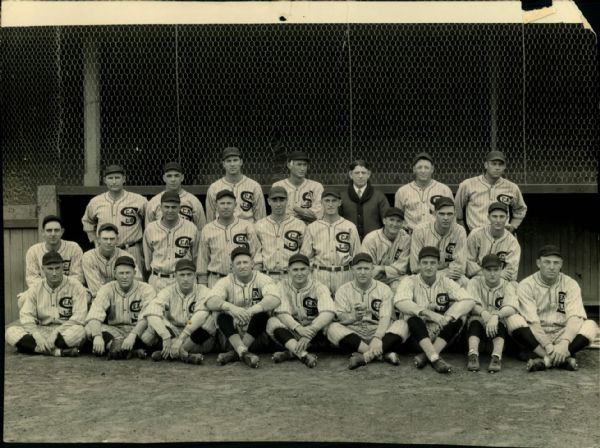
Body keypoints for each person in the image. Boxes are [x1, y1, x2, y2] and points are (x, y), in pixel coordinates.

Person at [504, 245, 598, 372]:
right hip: (536, 336)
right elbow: (533, 322)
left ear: (561, 264)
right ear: (538, 263)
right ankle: (560, 359)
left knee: (591, 325)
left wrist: (564, 343)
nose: (552, 267)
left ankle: (546, 361)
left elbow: (575, 318)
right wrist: (548, 346)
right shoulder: (526, 285)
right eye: (547, 262)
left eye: (556, 263)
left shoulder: (570, 284)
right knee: (513, 319)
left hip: (562, 333)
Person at [394, 246, 476, 373]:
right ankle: (434, 358)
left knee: (460, 315)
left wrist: (449, 317)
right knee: (410, 316)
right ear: (419, 264)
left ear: (438, 265)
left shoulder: (446, 281)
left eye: (432, 263)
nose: (428, 267)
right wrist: (428, 313)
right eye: (425, 263)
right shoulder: (409, 280)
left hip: (441, 336)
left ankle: (429, 355)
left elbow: (469, 300)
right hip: (417, 337)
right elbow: (400, 302)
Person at [326, 253, 409, 369]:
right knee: (332, 328)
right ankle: (383, 355)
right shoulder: (343, 290)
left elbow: (385, 317)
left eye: (366, 268)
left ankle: (365, 357)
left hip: (380, 331)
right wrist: (353, 317)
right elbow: (340, 318)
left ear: (372, 269)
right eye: (359, 268)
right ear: (352, 270)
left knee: (403, 324)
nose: (363, 272)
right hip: (355, 332)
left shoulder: (384, 289)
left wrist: (378, 337)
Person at [205, 247, 281, 368]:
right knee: (221, 315)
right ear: (232, 267)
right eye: (238, 263)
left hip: (257, 336)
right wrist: (231, 308)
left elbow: (275, 299)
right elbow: (210, 301)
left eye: (245, 262)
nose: (242, 266)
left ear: (252, 264)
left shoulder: (263, 278)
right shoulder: (225, 281)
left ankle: (237, 352)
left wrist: (251, 311)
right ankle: (243, 352)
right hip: (232, 336)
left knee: (262, 315)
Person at [6, 251, 87, 357]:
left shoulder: (76, 286)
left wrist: (57, 332)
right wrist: (36, 335)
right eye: (50, 269)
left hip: (65, 330)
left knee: (79, 331)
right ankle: (57, 352)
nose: (54, 273)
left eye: (57, 268)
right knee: (10, 332)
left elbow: (79, 317)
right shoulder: (36, 288)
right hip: (41, 329)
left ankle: (34, 349)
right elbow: (26, 315)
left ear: (63, 267)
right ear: (43, 269)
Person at [140, 259, 217, 365]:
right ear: (175, 276)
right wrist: (165, 336)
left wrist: (181, 339)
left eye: (189, 275)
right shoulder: (167, 291)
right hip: (173, 332)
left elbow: (200, 315)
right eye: (182, 275)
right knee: (150, 330)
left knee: (210, 320)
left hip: (194, 336)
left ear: (195, 276)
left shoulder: (204, 291)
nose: (186, 279)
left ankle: (170, 352)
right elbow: (151, 311)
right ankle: (184, 355)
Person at [267, 254, 335, 368]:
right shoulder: (281, 286)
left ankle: (291, 353)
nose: (299, 273)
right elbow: (282, 313)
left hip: (313, 333)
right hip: (292, 331)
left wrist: (309, 332)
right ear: (288, 271)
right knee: (272, 322)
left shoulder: (319, 287)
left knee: (328, 324)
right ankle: (302, 354)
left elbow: (329, 312)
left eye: (303, 269)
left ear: (309, 270)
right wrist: (299, 328)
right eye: (295, 270)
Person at [84, 256, 157, 360]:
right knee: (89, 328)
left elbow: (146, 318)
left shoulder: (146, 289)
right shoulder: (107, 288)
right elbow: (95, 315)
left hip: (138, 330)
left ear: (134, 273)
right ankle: (133, 351)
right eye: (121, 273)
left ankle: (117, 349)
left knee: (153, 331)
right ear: (115, 274)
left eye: (128, 273)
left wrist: (133, 335)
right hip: (115, 331)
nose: (124, 276)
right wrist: (97, 336)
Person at [81, 164, 148, 271]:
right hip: (105, 251)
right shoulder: (96, 202)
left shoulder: (139, 200)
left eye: (117, 178)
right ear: (105, 180)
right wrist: (95, 241)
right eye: (110, 178)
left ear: (124, 179)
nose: (114, 181)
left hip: (131, 248)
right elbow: (87, 222)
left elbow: (150, 222)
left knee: (135, 283)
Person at [300, 188, 361, 294]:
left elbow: (357, 256)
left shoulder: (350, 226)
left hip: (344, 273)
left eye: (334, 201)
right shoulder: (312, 227)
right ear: (321, 203)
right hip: (320, 274)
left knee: (344, 308)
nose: (330, 204)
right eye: (327, 201)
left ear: (339, 203)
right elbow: (305, 258)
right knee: (321, 308)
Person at [465, 254, 519, 373]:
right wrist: (482, 311)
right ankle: (473, 355)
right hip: (478, 323)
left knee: (500, 324)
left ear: (501, 270)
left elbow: (512, 307)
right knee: (475, 322)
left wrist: (496, 316)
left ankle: (496, 357)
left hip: (497, 328)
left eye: (496, 270)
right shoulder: (474, 282)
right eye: (488, 270)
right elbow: (469, 302)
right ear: (482, 270)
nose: (492, 273)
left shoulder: (507, 284)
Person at [197, 189, 261, 288]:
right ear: (216, 205)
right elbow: (202, 260)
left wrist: (255, 280)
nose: (225, 206)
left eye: (229, 203)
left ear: (235, 205)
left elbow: (256, 254)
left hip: (243, 280)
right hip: (216, 279)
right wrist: (202, 286)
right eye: (222, 203)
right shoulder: (208, 229)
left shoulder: (247, 226)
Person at [455, 151, 527, 233]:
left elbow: (521, 209)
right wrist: (463, 232)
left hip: (501, 235)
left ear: (504, 167)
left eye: (500, 164)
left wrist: (513, 226)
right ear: (486, 165)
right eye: (494, 164)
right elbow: (456, 211)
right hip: (477, 233)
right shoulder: (468, 184)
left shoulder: (512, 187)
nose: (497, 167)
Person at [143, 191, 200, 291]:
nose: (170, 210)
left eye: (174, 207)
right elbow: (148, 260)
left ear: (179, 208)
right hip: (158, 279)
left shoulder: (191, 228)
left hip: (183, 279)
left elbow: (196, 256)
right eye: (166, 207)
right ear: (160, 208)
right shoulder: (150, 229)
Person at [410, 197, 468, 285]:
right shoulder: (420, 230)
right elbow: (415, 267)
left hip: (450, 277)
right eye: (442, 214)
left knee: (464, 281)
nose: (446, 218)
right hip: (424, 277)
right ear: (434, 214)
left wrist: (439, 271)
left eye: (449, 214)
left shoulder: (460, 231)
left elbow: (460, 268)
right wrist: (443, 272)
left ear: (455, 214)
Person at [255, 186, 306, 283]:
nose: (278, 204)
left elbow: (304, 252)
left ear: (287, 200)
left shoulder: (299, 225)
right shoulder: (259, 225)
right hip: (267, 276)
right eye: (274, 200)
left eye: (281, 200)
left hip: (291, 276)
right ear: (269, 201)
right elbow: (256, 254)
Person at [394, 152, 453, 232]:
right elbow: (397, 219)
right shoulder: (402, 191)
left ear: (432, 169)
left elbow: (453, 217)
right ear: (414, 169)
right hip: (411, 235)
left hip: (437, 235)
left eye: (426, 167)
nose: (423, 171)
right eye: (419, 167)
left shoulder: (444, 190)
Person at [82, 223, 142, 300]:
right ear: (98, 240)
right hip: (98, 300)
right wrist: (118, 283)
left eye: (112, 239)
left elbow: (137, 281)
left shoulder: (127, 256)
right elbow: (95, 289)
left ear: (117, 240)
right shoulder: (88, 256)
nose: (109, 242)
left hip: (124, 298)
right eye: (105, 239)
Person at [205, 147, 266, 223]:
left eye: (235, 160)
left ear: (241, 162)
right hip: (222, 231)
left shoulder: (254, 186)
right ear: (223, 164)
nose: (232, 164)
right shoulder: (214, 188)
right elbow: (210, 219)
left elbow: (261, 219)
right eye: (228, 161)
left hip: (247, 230)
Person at [24, 214, 84, 290]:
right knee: (23, 299)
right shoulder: (33, 251)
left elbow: (78, 277)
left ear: (62, 231)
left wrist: (61, 289)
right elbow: (32, 279)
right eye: (49, 230)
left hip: (69, 290)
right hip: (42, 291)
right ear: (43, 232)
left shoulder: (74, 248)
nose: (53, 234)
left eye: (56, 230)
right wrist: (49, 290)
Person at [466, 202, 521, 282]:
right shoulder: (476, 234)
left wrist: (495, 276)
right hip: (477, 279)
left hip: (501, 282)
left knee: (514, 285)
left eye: (502, 217)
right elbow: (468, 263)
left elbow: (511, 274)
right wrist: (495, 274)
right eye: (494, 216)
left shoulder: (512, 242)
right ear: (488, 217)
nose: (498, 220)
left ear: (507, 218)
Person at [360, 207, 411, 292]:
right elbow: (367, 267)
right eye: (391, 220)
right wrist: (383, 270)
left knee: (405, 284)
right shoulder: (371, 238)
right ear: (384, 221)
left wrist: (382, 269)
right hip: (373, 279)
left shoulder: (406, 239)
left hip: (395, 278)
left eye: (398, 221)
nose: (394, 224)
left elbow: (402, 267)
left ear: (402, 224)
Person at [146, 161, 207, 231]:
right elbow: (149, 231)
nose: (173, 179)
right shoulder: (154, 202)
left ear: (182, 177)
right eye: (169, 176)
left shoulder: (193, 201)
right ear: (164, 178)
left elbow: (201, 229)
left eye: (176, 175)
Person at [339, 159, 389, 239]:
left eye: (363, 172)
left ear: (368, 174)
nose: (360, 176)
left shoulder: (379, 196)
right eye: (357, 173)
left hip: (374, 242)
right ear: (350, 174)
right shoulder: (342, 197)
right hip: (349, 241)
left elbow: (387, 221)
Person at [272, 150, 324, 224]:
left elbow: (318, 214)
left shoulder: (316, 186)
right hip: (285, 227)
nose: (302, 168)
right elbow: (278, 213)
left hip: (310, 228)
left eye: (304, 165)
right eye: (299, 164)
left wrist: (296, 209)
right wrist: (305, 212)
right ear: (289, 165)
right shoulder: (278, 186)